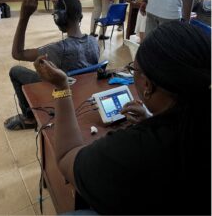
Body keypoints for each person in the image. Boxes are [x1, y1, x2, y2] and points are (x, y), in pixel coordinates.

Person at [34, 21, 211, 215]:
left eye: (133, 70)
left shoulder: (134, 151)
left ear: (148, 86)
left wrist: (61, 87)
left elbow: (66, 158)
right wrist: (154, 119)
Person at [4, 0, 99, 130]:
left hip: (61, 92)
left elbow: (17, 53)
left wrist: (24, 16)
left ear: (58, 19)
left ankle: (29, 118)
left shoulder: (58, 49)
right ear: (81, 16)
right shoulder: (93, 41)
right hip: (84, 95)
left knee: (16, 71)